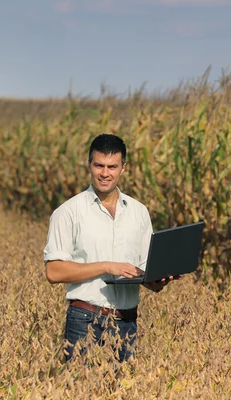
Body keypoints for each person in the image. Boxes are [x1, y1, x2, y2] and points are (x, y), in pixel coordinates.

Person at [43, 133, 179, 363]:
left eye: (112, 166)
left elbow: (146, 274)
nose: (105, 173)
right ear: (89, 165)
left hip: (127, 322)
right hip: (85, 320)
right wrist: (107, 266)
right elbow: (54, 272)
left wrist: (158, 280)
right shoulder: (68, 212)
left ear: (123, 168)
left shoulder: (139, 212)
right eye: (99, 165)